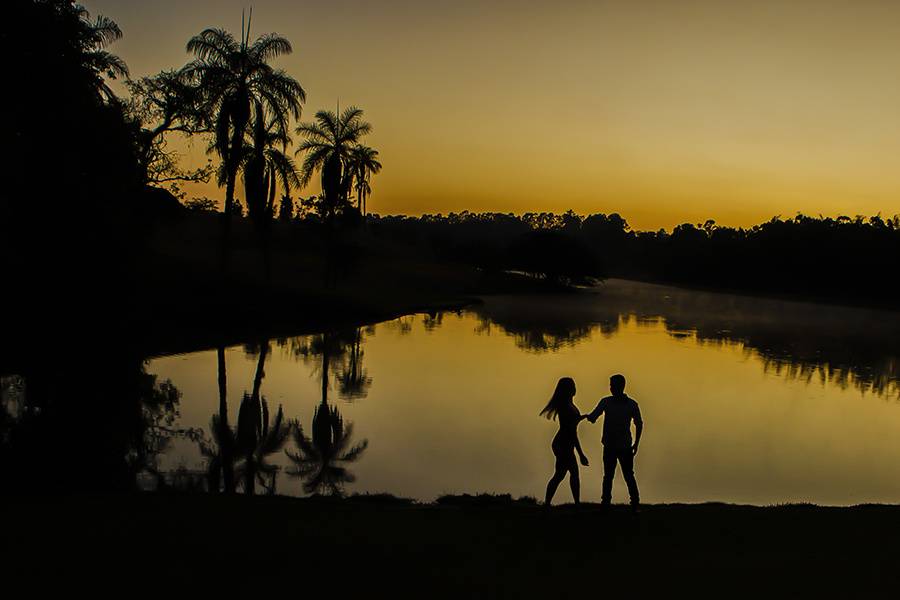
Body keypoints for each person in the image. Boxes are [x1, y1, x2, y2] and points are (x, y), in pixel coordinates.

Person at [587, 374, 643, 510]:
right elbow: (639, 424)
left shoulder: (606, 402)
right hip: (622, 445)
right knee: (627, 475)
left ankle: (607, 503)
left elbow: (593, 417)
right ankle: (633, 504)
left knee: (612, 476)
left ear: (618, 387)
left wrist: (587, 417)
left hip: (614, 445)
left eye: (612, 385)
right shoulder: (631, 404)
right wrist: (636, 443)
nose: (611, 388)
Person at [540, 377, 589, 507]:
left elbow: (573, 425)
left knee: (563, 474)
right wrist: (581, 454)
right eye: (572, 386)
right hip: (563, 444)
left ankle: (549, 504)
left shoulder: (569, 405)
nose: (575, 389)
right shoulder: (566, 407)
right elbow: (572, 432)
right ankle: (571, 505)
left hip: (565, 442)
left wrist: (583, 417)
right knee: (564, 474)